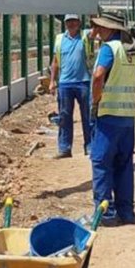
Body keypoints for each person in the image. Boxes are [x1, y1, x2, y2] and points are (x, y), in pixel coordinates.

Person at [88, 12, 135, 225]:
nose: (96, 32)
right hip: (127, 119)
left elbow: (98, 75)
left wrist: (97, 99)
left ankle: (106, 215)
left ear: (110, 29)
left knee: (101, 163)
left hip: (107, 118)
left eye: (99, 27)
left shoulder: (109, 49)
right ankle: (126, 213)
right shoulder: (131, 51)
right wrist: (131, 96)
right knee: (124, 165)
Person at [51, 13, 95, 159]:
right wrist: (52, 81)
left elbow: (97, 30)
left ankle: (90, 146)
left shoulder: (85, 36)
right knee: (64, 116)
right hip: (65, 84)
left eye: (74, 21)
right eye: (69, 21)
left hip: (84, 82)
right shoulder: (59, 39)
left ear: (79, 22)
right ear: (65, 23)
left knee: (88, 116)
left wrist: (93, 14)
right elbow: (55, 62)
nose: (71, 24)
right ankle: (64, 148)